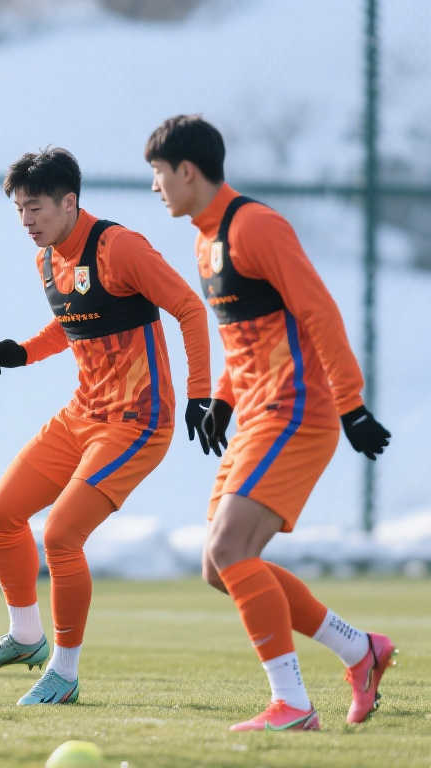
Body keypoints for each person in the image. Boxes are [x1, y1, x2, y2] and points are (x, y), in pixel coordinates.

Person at [145, 114, 394, 731]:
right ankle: (360, 651)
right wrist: (224, 400)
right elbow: (247, 338)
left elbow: (319, 312)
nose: (155, 186)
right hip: (258, 411)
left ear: (187, 171)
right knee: (220, 566)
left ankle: (294, 705)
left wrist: (351, 403)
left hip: (298, 409)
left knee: (230, 549)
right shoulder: (204, 241)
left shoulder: (256, 226)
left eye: (159, 173)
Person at [0, 147, 211, 705]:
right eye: (19, 210)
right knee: (0, 514)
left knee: (61, 535)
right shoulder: (46, 259)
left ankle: (65, 672)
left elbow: (189, 309)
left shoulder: (119, 247)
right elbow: (73, 320)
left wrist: (200, 395)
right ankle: (26, 636)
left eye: (36, 208)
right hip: (83, 414)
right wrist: (24, 352)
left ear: (69, 202)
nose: (26, 221)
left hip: (137, 421)